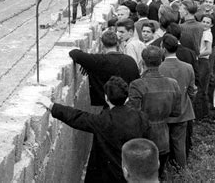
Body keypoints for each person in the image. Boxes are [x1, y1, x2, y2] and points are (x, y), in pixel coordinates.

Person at [36, 76, 150, 183]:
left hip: (108, 175)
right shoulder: (141, 117)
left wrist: (52, 106)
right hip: (133, 174)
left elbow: (77, 117)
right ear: (126, 97)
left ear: (106, 97)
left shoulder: (103, 120)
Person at [126, 46, 181, 179]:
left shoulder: (137, 84)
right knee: (157, 176)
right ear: (161, 61)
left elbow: (133, 114)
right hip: (163, 138)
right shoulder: (173, 84)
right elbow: (176, 112)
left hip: (143, 138)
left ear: (142, 62)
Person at [68, 31, 140, 107]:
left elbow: (74, 53)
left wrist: (86, 64)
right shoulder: (130, 61)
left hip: (109, 106)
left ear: (102, 45)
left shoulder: (98, 61)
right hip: (129, 105)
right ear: (118, 44)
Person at [159, 34, 196, 169]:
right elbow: (192, 90)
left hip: (163, 112)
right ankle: (182, 171)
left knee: (163, 144)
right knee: (180, 144)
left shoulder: (159, 68)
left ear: (163, 48)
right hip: (183, 110)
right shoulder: (187, 67)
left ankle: (165, 170)